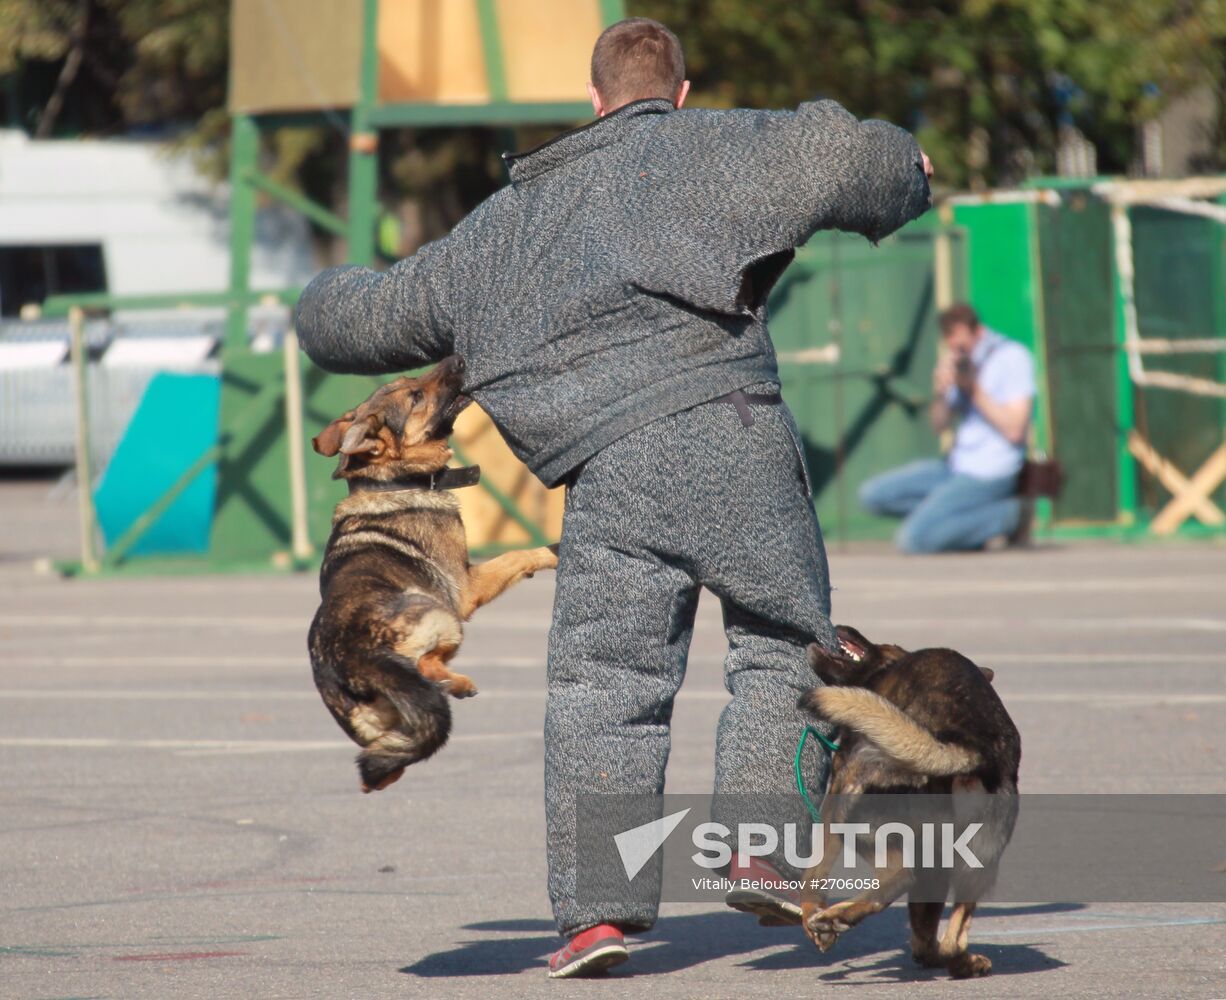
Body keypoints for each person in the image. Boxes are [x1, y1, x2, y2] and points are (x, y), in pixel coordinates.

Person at [294, 17, 932, 978]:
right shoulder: (716, 147)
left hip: (607, 479)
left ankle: (592, 918)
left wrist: (312, 304)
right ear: (678, 92)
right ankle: (756, 847)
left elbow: (370, 316)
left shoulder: (507, 223)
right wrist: (907, 171)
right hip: (733, 439)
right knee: (780, 640)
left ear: (592, 102)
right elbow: (842, 150)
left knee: (605, 685)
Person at [859, 303, 1035, 553]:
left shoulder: (1011, 356)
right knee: (872, 495)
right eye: (949, 341)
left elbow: (1015, 430)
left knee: (913, 540)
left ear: (975, 330)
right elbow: (939, 426)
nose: (954, 347)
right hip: (955, 466)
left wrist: (972, 388)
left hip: (990, 473)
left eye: (958, 340)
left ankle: (1010, 515)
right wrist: (941, 392)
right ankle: (953, 523)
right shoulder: (961, 362)